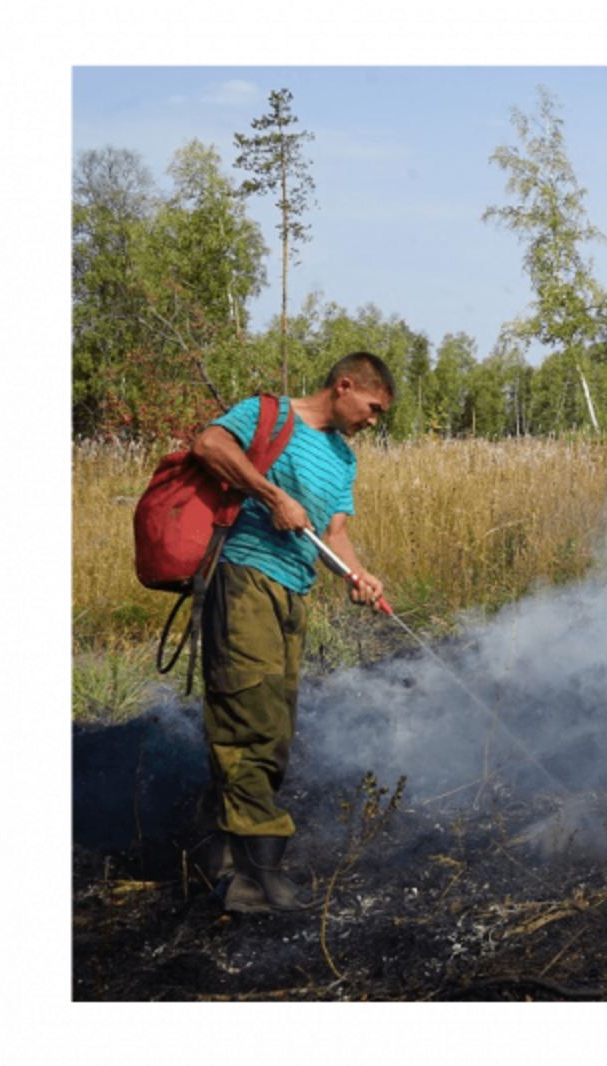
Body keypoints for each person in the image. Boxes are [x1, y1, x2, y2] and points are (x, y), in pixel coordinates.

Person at [190, 352, 393, 913]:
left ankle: (216, 853)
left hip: (293, 595)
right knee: (251, 720)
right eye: (373, 408)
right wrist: (271, 494)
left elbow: (335, 533)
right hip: (245, 577)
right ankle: (257, 880)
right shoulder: (268, 414)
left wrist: (357, 575)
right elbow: (208, 446)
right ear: (345, 386)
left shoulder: (343, 459)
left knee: (273, 727)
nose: (373, 421)